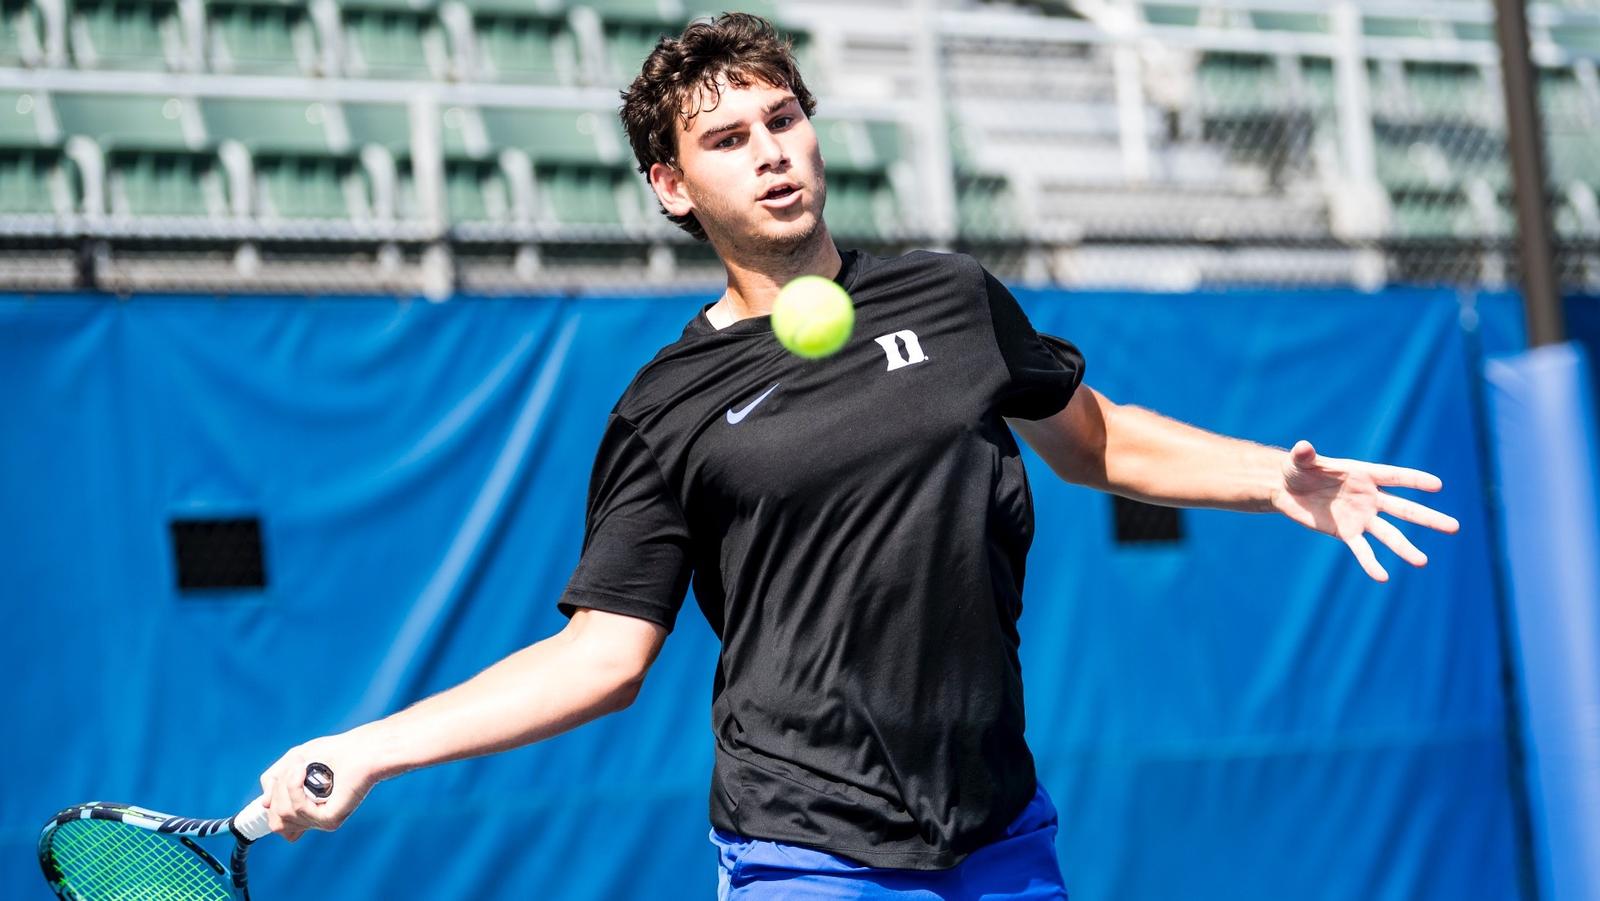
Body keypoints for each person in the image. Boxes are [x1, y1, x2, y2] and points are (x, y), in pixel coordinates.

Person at [256, 13, 1461, 898]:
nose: (771, 150)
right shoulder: (665, 407)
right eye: (728, 138)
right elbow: (601, 656)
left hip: (996, 830)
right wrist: (369, 747)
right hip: (805, 843)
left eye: (784, 119)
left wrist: (1271, 476)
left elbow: (1093, 440)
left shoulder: (951, 298)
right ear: (672, 187)